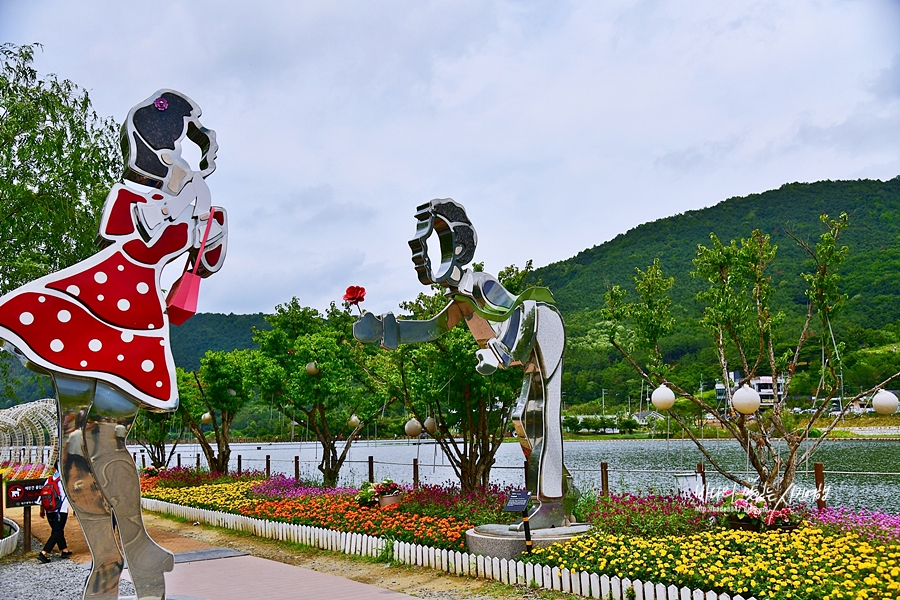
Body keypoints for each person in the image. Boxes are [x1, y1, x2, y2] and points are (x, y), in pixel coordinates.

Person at [38, 468, 71, 562]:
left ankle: (64, 550)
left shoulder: (49, 479)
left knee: (57, 530)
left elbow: (42, 496)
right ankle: (44, 553)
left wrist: (42, 510)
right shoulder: (65, 479)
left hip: (49, 511)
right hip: (61, 510)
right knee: (57, 532)